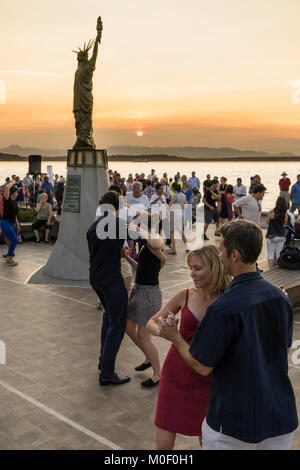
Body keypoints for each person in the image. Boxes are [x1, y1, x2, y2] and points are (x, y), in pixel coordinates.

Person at [155, 219, 298, 450]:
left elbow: (202, 366)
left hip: (234, 422)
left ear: (234, 255)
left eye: (221, 250)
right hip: (280, 416)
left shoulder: (222, 308)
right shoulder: (281, 298)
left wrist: (175, 337)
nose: (219, 256)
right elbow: (285, 350)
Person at [147, 245, 231, 450]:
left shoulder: (229, 299)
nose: (191, 273)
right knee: (163, 447)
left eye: (197, 268)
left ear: (214, 268)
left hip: (210, 378)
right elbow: (151, 322)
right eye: (190, 268)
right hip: (176, 375)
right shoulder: (184, 295)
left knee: (209, 442)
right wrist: (163, 330)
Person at [87, 190, 162, 386]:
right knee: (117, 325)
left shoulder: (93, 226)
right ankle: (107, 372)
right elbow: (155, 242)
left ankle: (103, 362)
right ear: (117, 208)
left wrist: (119, 251)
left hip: (95, 277)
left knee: (108, 317)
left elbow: (99, 250)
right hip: (111, 280)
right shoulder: (119, 224)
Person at [126, 212, 166, 388]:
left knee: (144, 335)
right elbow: (141, 267)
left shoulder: (154, 240)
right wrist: (127, 257)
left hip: (149, 293)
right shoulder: (145, 245)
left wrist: (137, 228)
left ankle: (158, 374)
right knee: (128, 327)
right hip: (140, 290)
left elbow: (157, 242)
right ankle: (149, 358)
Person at [72, 17, 103, 149]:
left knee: (86, 119)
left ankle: (87, 139)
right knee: (78, 119)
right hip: (78, 99)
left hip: (86, 98)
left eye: (80, 57)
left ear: (84, 58)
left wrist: (98, 36)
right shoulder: (78, 69)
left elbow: (95, 54)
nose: (78, 59)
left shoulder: (89, 66)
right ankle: (80, 138)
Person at [0, 181, 20, 266]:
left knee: (14, 240)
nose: (17, 194)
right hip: (5, 222)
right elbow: (7, 187)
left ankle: (9, 254)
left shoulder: (14, 202)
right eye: (16, 192)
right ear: (12, 193)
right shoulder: (7, 199)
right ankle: (9, 258)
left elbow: (15, 215)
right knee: (14, 240)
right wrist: (13, 181)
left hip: (12, 224)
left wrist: (17, 224)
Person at [266, 197, 288, 269]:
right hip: (281, 235)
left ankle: (271, 269)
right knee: (279, 253)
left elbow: (267, 222)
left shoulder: (272, 212)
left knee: (271, 254)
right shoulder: (285, 213)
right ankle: (278, 268)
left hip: (271, 235)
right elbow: (284, 224)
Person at [168, 183, 188, 255]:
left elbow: (170, 205)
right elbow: (186, 204)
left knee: (172, 232)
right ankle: (187, 247)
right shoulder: (183, 195)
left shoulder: (174, 196)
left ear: (173, 188)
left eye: (171, 187)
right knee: (181, 231)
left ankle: (174, 249)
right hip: (181, 214)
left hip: (174, 215)